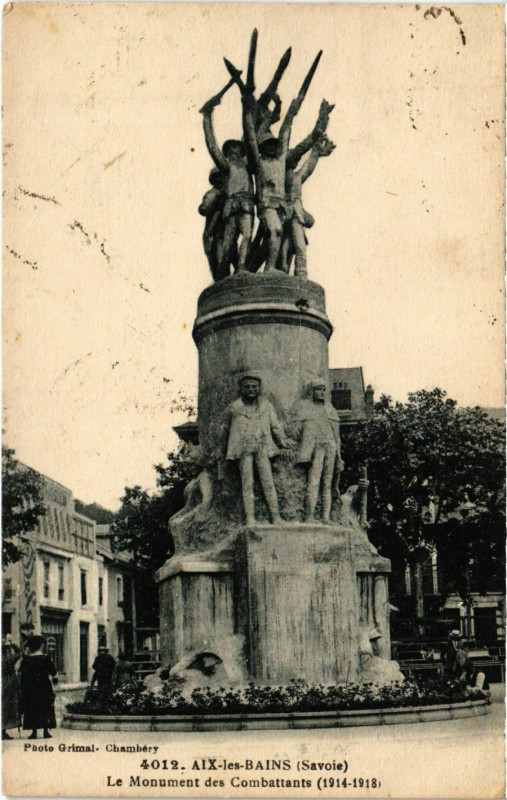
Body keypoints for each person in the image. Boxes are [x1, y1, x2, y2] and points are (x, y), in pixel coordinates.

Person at [225, 373, 291, 525]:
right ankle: (250, 519)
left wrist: (282, 439)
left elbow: (275, 426)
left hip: (262, 447)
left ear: (259, 388)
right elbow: (227, 431)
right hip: (244, 449)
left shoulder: (266, 406)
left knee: (268, 482)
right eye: (247, 387)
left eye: (254, 386)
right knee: (247, 484)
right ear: (241, 389)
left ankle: (275, 517)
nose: (251, 389)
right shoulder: (234, 409)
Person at [200, 95, 254, 277]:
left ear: (241, 151)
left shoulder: (248, 165)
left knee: (247, 236)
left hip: (246, 205)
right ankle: (223, 274)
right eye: (229, 151)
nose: (232, 152)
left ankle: (241, 269)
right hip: (231, 207)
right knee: (229, 242)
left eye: (235, 149)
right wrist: (207, 119)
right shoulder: (227, 167)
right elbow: (212, 146)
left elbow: (251, 135)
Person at [294, 379, 344, 523]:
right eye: (318, 389)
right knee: (314, 481)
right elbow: (299, 430)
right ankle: (309, 516)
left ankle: (325, 517)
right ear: (312, 391)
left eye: (323, 390)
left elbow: (337, 436)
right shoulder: (306, 408)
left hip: (330, 446)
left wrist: (338, 456)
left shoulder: (330, 410)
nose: (321, 392)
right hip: (316, 447)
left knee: (327, 484)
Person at [19, 635, 57, 739]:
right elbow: (53, 672)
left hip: (31, 688)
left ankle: (34, 732)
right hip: (44, 687)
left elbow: (22, 675)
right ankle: (46, 731)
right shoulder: (45, 658)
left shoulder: (26, 660)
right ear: (40, 646)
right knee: (45, 707)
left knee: (32, 708)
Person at [2, 634, 21, 739]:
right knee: (6, 707)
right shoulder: (8, 659)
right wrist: (12, 642)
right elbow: (19, 653)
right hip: (8, 683)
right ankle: (3, 731)